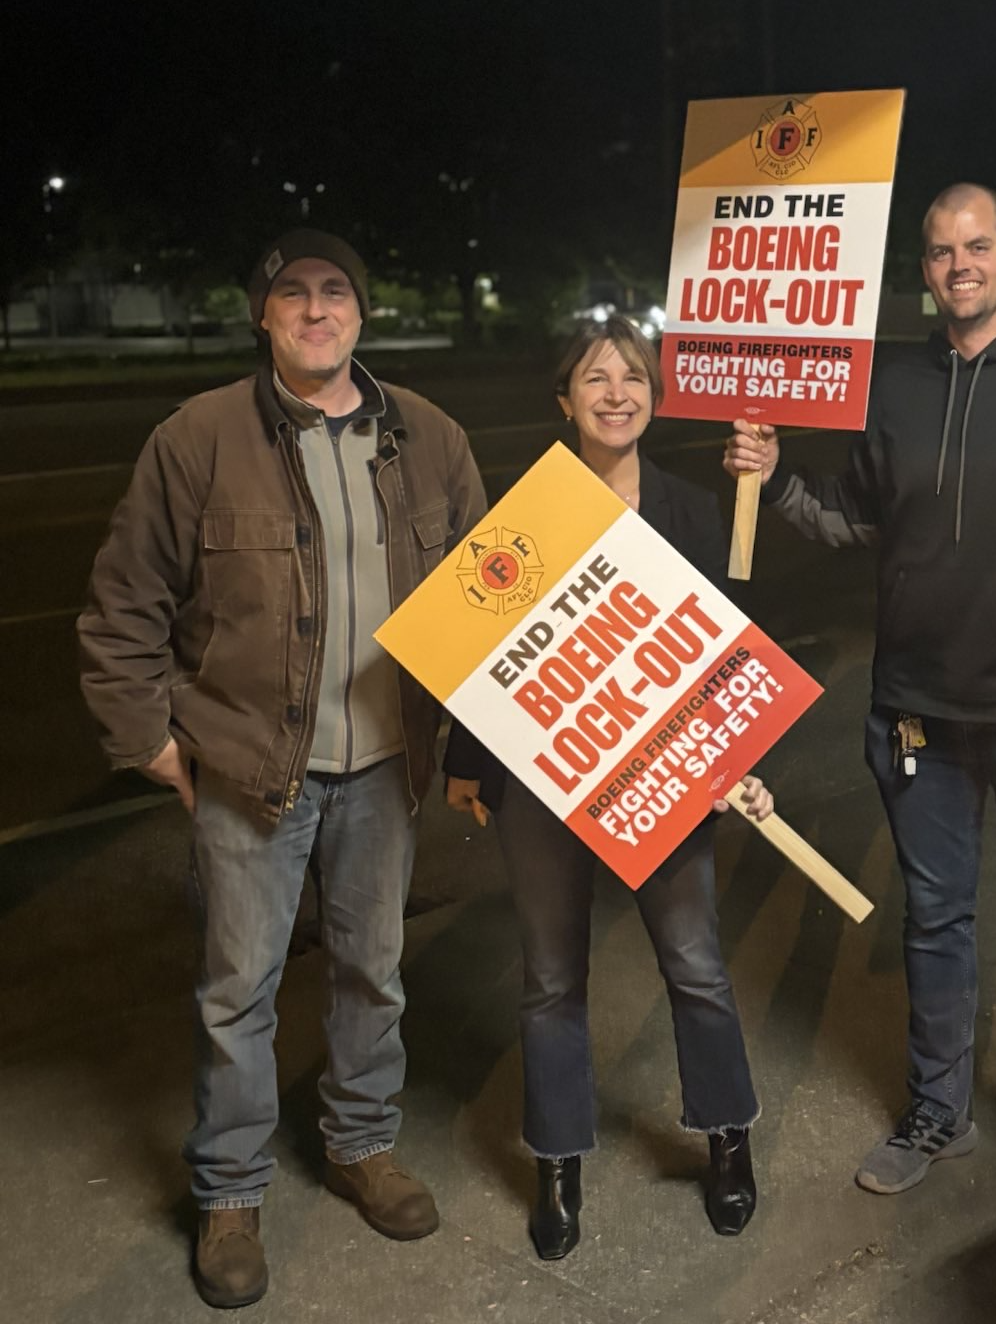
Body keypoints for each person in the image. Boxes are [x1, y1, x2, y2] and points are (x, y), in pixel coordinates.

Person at [724, 183, 996, 1253]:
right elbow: (852, 516)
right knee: (937, 921)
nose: (958, 263)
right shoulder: (896, 381)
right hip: (918, 714)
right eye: (938, 250)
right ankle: (940, 1109)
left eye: (978, 245)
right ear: (922, 268)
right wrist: (777, 475)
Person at [77, 229, 486, 1308]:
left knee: (371, 969)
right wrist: (157, 745)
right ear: (262, 316)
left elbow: (490, 599)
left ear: (363, 311)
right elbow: (124, 609)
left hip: (387, 764)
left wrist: (477, 741)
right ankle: (229, 1189)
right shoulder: (199, 438)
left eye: (336, 290)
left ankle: (361, 1143)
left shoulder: (430, 437)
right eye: (293, 294)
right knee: (236, 993)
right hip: (252, 770)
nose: (317, 308)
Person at [444, 315, 773, 1261]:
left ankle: (726, 1139)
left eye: (633, 376)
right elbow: (485, 649)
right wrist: (471, 763)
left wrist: (736, 757)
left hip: (664, 776)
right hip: (545, 782)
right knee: (551, 980)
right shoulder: (527, 512)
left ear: (655, 398)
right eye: (595, 378)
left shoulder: (692, 508)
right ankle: (556, 1160)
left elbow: (724, 647)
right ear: (565, 401)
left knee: (696, 964)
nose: (616, 392)